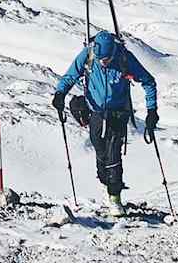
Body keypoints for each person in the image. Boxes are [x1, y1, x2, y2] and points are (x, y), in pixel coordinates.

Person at [51, 30, 159, 212]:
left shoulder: (125, 58)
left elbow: (148, 81)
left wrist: (152, 110)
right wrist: (60, 93)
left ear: (113, 53)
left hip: (118, 112)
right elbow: (71, 75)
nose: (104, 62)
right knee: (100, 149)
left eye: (107, 59)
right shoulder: (89, 54)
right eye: (101, 59)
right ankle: (105, 184)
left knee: (113, 152)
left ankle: (115, 197)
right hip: (96, 113)